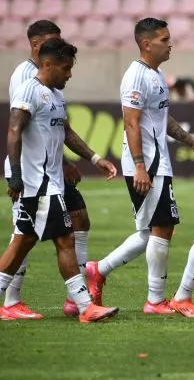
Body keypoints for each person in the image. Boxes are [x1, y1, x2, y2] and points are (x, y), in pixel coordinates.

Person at [85, 18, 194, 313]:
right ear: (146, 44)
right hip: (147, 163)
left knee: (151, 231)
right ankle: (154, 300)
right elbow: (131, 123)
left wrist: (191, 141)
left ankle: (98, 270)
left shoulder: (156, 74)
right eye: (164, 39)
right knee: (162, 227)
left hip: (156, 161)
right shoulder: (135, 77)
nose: (170, 44)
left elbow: (162, 119)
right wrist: (140, 166)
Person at [0, 38, 119, 324]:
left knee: (21, 244)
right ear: (48, 64)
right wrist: (16, 176)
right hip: (39, 185)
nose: (69, 74)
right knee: (65, 240)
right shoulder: (30, 90)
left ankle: (82, 306)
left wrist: (94, 158)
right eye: (65, 68)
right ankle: (84, 306)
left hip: (48, 183)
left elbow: (66, 133)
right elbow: (14, 132)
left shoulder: (55, 95)